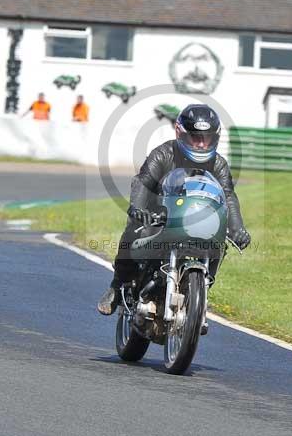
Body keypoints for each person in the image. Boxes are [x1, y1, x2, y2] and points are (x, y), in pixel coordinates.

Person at [97, 104, 251, 316]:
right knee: (134, 230)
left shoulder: (219, 165)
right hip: (160, 216)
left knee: (220, 244)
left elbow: (228, 196)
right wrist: (138, 209)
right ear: (181, 133)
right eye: (195, 137)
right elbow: (143, 182)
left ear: (215, 138)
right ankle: (116, 286)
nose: (200, 143)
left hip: (200, 220)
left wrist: (237, 227)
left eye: (206, 138)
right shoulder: (163, 154)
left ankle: (199, 293)